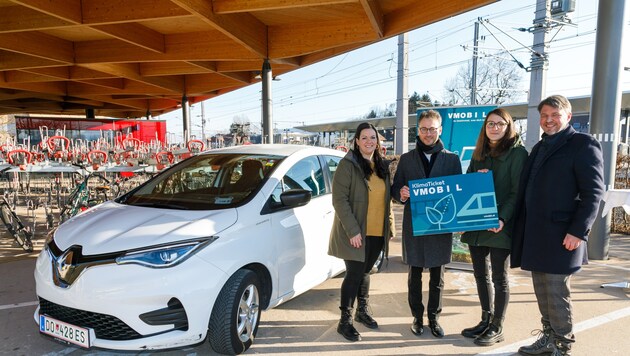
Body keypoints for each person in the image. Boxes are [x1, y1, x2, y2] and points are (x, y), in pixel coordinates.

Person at [511, 95, 604, 356]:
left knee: (557, 292)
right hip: (537, 234)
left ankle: (563, 345)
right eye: (544, 116)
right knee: (542, 291)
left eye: (555, 115)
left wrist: (578, 231)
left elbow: (593, 193)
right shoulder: (540, 147)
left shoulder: (583, 144)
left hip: (563, 235)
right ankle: (548, 338)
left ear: (568, 117)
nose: (548, 120)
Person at [391, 109, 462, 338]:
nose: (428, 133)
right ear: (418, 131)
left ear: (440, 130)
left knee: (437, 275)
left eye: (432, 129)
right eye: (424, 129)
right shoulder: (407, 159)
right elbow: (395, 190)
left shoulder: (452, 159)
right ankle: (417, 317)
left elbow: (458, 191)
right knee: (415, 274)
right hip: (415, 224)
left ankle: (434, 318)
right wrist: (401, 193)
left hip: (440, 226)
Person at [460, 108, 528, 346]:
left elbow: (516, 191)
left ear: (509, 126)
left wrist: (502, 218)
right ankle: (485, 319)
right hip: (478, 224)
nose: (495, 127)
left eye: (500, 123)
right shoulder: (479, 153)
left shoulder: (518, 154)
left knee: (499, 277)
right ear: (485, 127)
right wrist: (477, 178)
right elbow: (466, 183)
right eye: (491, 123)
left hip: (500, 224)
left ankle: (497, 326)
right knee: (480, 275)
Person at [328, 122, 393, 342]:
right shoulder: (348, 165)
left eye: (372, 137)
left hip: (376, 231)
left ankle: (362, 311)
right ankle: (344, 321)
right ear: (356, 141)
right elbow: (339, 200)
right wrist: (353, 230)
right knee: (354, 273)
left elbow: (387, 201)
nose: (369, 141)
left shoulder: (382, 165)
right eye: (364, 138)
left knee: (366, 272)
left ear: (378, 141)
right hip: (355, 232)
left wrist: (389, 227)